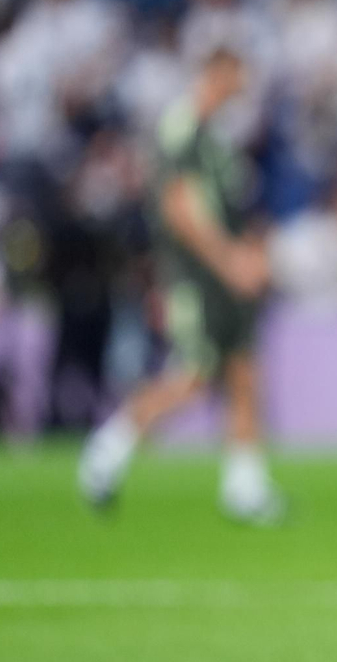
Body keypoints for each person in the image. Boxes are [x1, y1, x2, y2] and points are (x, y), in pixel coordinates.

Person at [77, 45, 284, 525]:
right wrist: (231, 260)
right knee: (193, 375)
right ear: (216, 72)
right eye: (235, 75)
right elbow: (180, 208)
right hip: (198, 278)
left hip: (226, 279)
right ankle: (107, 449)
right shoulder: (183, 128)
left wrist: (251, 255)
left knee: (243, 373)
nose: (241, 87)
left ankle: (245, 487)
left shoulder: (216, 138)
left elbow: (233, 208)